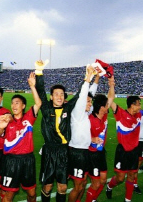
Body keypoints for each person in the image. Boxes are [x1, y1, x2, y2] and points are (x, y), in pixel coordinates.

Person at [35, 60, 82, 202]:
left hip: (63, 152)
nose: (59, 97)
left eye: (62, 94)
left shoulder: (68, 108)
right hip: (49, 152)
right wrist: (39, 72)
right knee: (48, 187)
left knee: (62, 187)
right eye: (56, 94)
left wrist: (88, 78)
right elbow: (40, 91)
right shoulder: (46, 108)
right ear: (51, 97)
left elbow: (80, 95)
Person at [0, 72, 42, 202]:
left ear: (23, 106)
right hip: (11, 161)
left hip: (28, 160)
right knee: (8, 195)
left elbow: (38, 103)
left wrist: (32, 86)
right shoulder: (6, 119)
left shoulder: (29, 118)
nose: (14, 105)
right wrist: (1, 127)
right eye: (12, 103)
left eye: (17, 103)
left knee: (32, 193)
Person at [106, 95, 143, 202]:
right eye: (138, 103)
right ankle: (109, 187)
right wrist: (111, 84)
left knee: (132, 175)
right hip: (122, 151)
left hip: (134, 151)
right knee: (120, 178)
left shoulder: (138, 115)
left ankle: (127, 199)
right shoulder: (121, 114)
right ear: (132, 105)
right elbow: (110, 100)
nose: (140, 106)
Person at [68, 67, 99, 202]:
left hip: (85, 152)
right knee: (78, 185)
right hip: (76, 152)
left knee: (84, 183)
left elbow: (90, 94)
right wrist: (87, 79)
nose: (90, 104)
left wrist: (97, 78)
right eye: (88, 102)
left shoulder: (86, 112)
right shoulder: (77, 112)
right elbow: (83, 96)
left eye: (91, 102)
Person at [85, 76, 115, 202]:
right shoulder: (90, 120)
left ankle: (93, 199)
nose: (108, 105)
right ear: (101, 107)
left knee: (103, 180)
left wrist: (111, 84)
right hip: (91, 155)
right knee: (96, 183)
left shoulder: (104, 114)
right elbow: (80, 135)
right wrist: (92, 138)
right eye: (106, 105)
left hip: (101, 153)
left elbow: (111, 97)